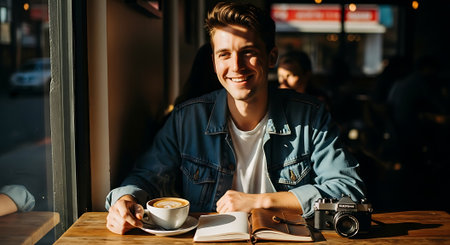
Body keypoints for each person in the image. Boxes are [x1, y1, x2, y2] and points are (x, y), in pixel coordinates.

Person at [105, 2, 366, 235]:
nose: (236, 66)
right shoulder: (187, 119)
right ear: (214, 62)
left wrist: (259, 200)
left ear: (271, 57)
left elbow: (348, 190)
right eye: (225, 54)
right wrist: (123, 201)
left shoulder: (310, 115)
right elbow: (145, 176)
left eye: (248, 52)